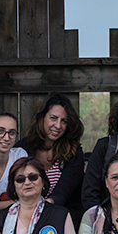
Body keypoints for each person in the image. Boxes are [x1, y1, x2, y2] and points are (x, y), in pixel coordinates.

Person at [22, 93, 87, 221]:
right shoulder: (24, 147)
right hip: (26, 216)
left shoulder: (73, 153)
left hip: (63, 218)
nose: (58, 126)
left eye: (64, 121)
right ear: (42, 117)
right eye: (53, 118)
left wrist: (40, 209)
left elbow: (61, 194)